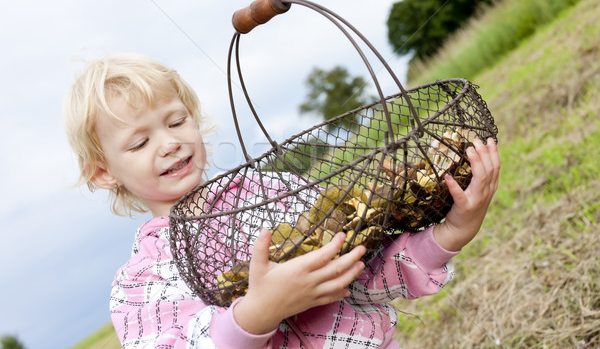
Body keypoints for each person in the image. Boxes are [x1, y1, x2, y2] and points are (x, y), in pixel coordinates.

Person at [64, 53, 500, 349]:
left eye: (176, 121)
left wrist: (450, 232)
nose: (169, 143)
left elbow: (366, 271)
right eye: (139, 142)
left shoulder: (272, 194)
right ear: (104, 172)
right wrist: (257, 313)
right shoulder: (140, 282)